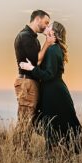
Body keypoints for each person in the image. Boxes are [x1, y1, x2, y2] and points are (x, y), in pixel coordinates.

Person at [19, 21, 82, 154]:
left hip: (55, 93)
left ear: (53, 32)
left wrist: (31, 68)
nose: (46, 27)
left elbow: (49, 74)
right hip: (52, 91)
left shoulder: (54, 50)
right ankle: (58, 153)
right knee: (54, 124)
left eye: (49, 26)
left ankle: (58, 154)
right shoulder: (52, 48)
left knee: (56, 124)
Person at [12, 10, 53, 148]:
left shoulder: (32, 37)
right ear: (37, 19)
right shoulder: (25, 37)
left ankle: (22, 152)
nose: (47, 26)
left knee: (29, 120)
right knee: (25, 121)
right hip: (27, 82)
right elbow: (36, 61)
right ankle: (19, 154)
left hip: (30, 82)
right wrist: (47, 43)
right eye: (46, 22)